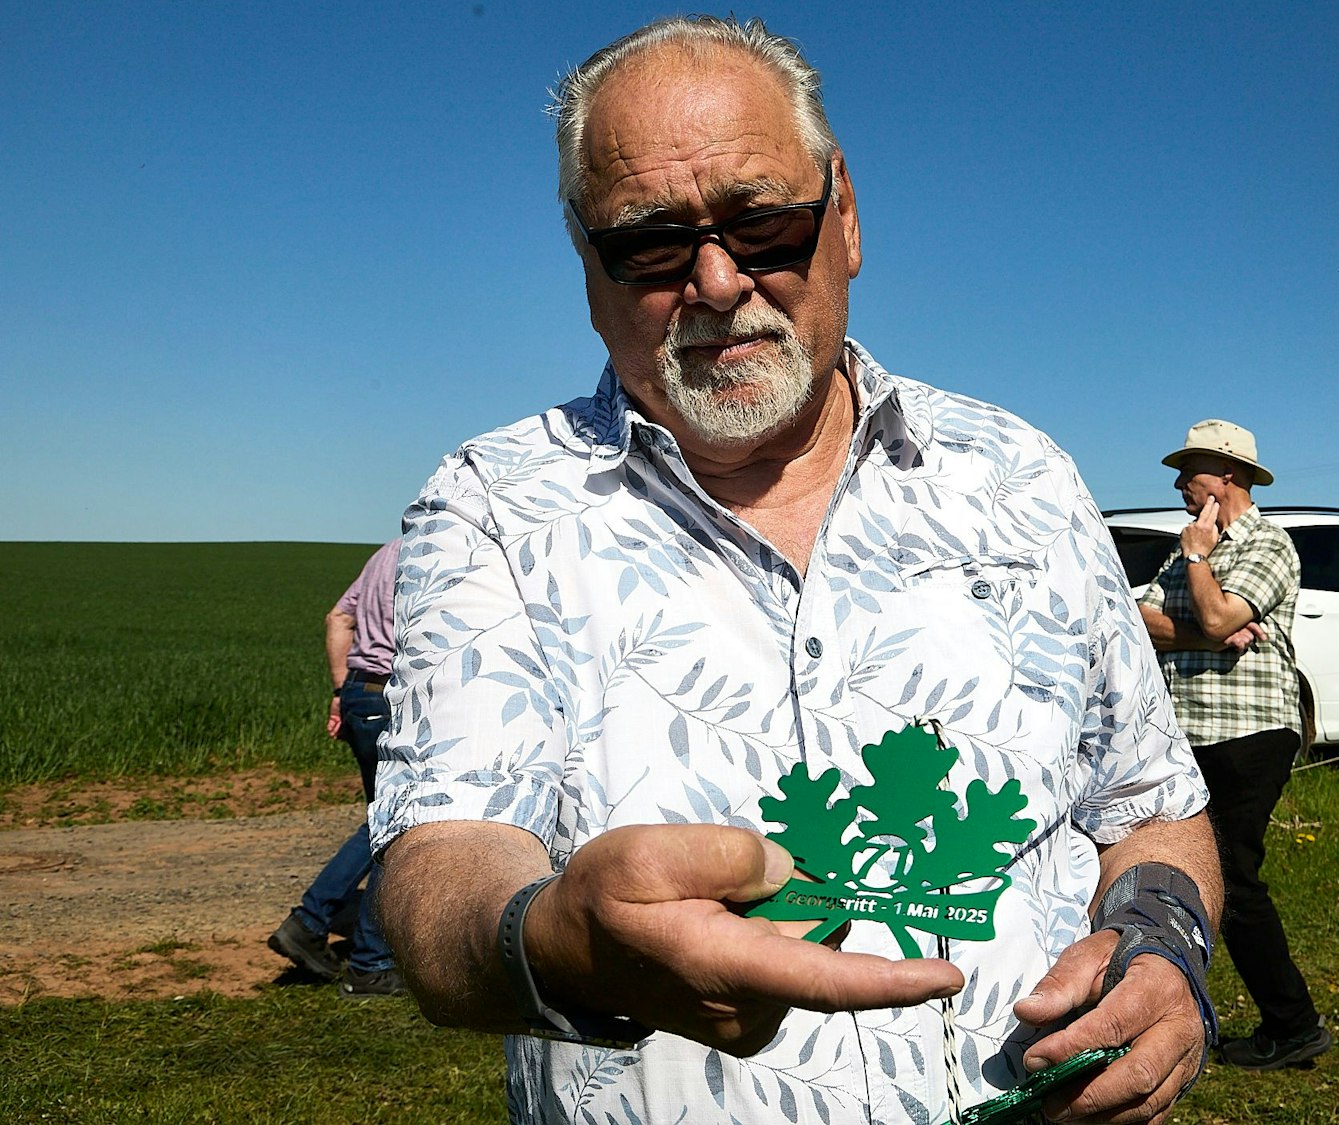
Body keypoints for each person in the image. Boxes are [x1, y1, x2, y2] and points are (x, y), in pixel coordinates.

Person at [368, 16, 1220, 1125]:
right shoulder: (492, 505)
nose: (718, 282)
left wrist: (1165, 946)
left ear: (845, 213)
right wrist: (553, 938)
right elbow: (443, 865)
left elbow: (1148, 808)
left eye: (762, 221)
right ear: (587, 264)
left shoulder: (1020, 474)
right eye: (650, 243)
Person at [1135, 420, 1329, 1070]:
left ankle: (1294, 1023)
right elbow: (1135, 618)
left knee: (1236, 877)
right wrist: (1204, 633)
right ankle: (1194, 1009)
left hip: (1250, 733)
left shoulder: (1267, 545)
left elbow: (1218, 614)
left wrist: (1198, 567)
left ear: (1227, 474)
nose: (1178, 481)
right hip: (1190, 737)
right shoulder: (1185, 548)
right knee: (1203, 874)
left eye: (1188, 468)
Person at [267, 537, 407, 998]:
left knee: (381, 819)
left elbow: (338, 618)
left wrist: (339, 692)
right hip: (395, 697)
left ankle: (310, 922)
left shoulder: (386, 551)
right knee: (397, 825)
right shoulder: (439, 548)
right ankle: (370, 963)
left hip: (359, 694)